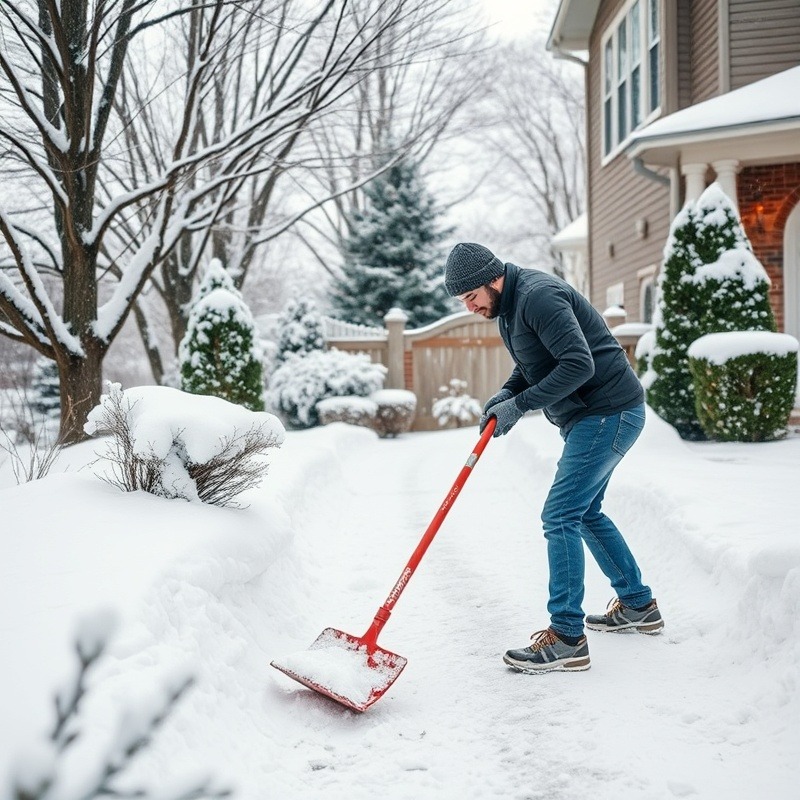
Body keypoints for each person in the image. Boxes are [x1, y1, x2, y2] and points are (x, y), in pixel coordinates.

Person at [444, 242, 663, 674]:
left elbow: (578, 365)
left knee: (560, 513)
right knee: (583, 512)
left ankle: (566, 638)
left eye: (471, 297)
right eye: (463, 301)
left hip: (608, 413)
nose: (469, 307)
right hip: (593, 416)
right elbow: (534, 362)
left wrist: (520, 405)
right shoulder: (509, 307)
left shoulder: (538, 296)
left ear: (491, 279)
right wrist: (507, 395)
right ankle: (639, 605)